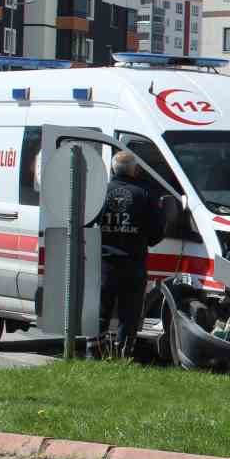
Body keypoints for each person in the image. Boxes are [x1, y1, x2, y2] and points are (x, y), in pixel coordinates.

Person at [95, 151, 165, 359]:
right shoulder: (144, 195)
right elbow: (156, 233)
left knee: (100, 311)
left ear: (112, 169)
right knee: (129, 315)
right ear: (135, 170)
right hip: (133, 264)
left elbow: (87, 225)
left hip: (103, 263)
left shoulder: (99, 193)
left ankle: (94, 353)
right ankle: (123, 356)